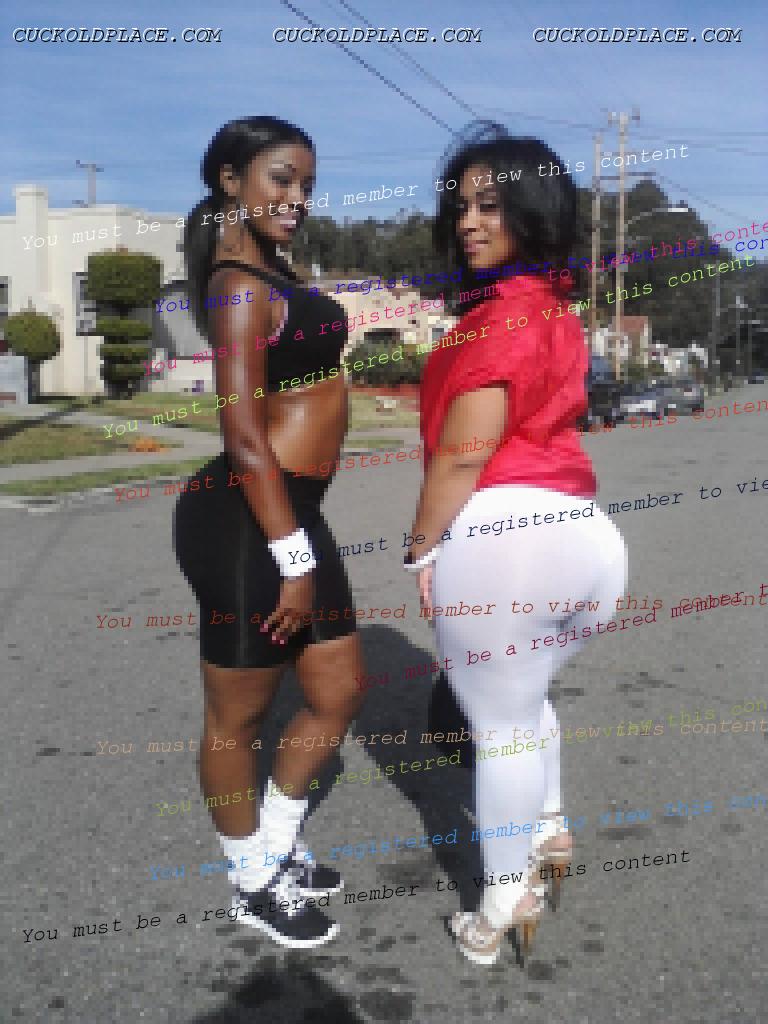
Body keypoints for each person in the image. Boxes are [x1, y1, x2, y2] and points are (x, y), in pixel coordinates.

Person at [405, 124, 628, 965]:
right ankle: (550, 829)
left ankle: (499, 905)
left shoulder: (497, 319)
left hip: (508, 538)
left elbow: (463, 454)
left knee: (498, 728)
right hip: (587, 540)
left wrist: (422, 550)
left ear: (533, 212)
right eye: (463, 206)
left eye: (492, 205)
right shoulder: (558, 311)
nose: (469, 221)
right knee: (526, 703)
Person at [173, 116, 365, 949]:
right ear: (231, 181)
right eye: (281, 180)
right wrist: (291, 557)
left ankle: (276, 843)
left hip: (294, 513)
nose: (297, 198)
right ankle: (250, 879)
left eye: (306, 186)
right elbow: (245, 434)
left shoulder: (275, 272)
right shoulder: (237, 288)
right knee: (236, 720)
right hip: (248, 523)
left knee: (339, 691)